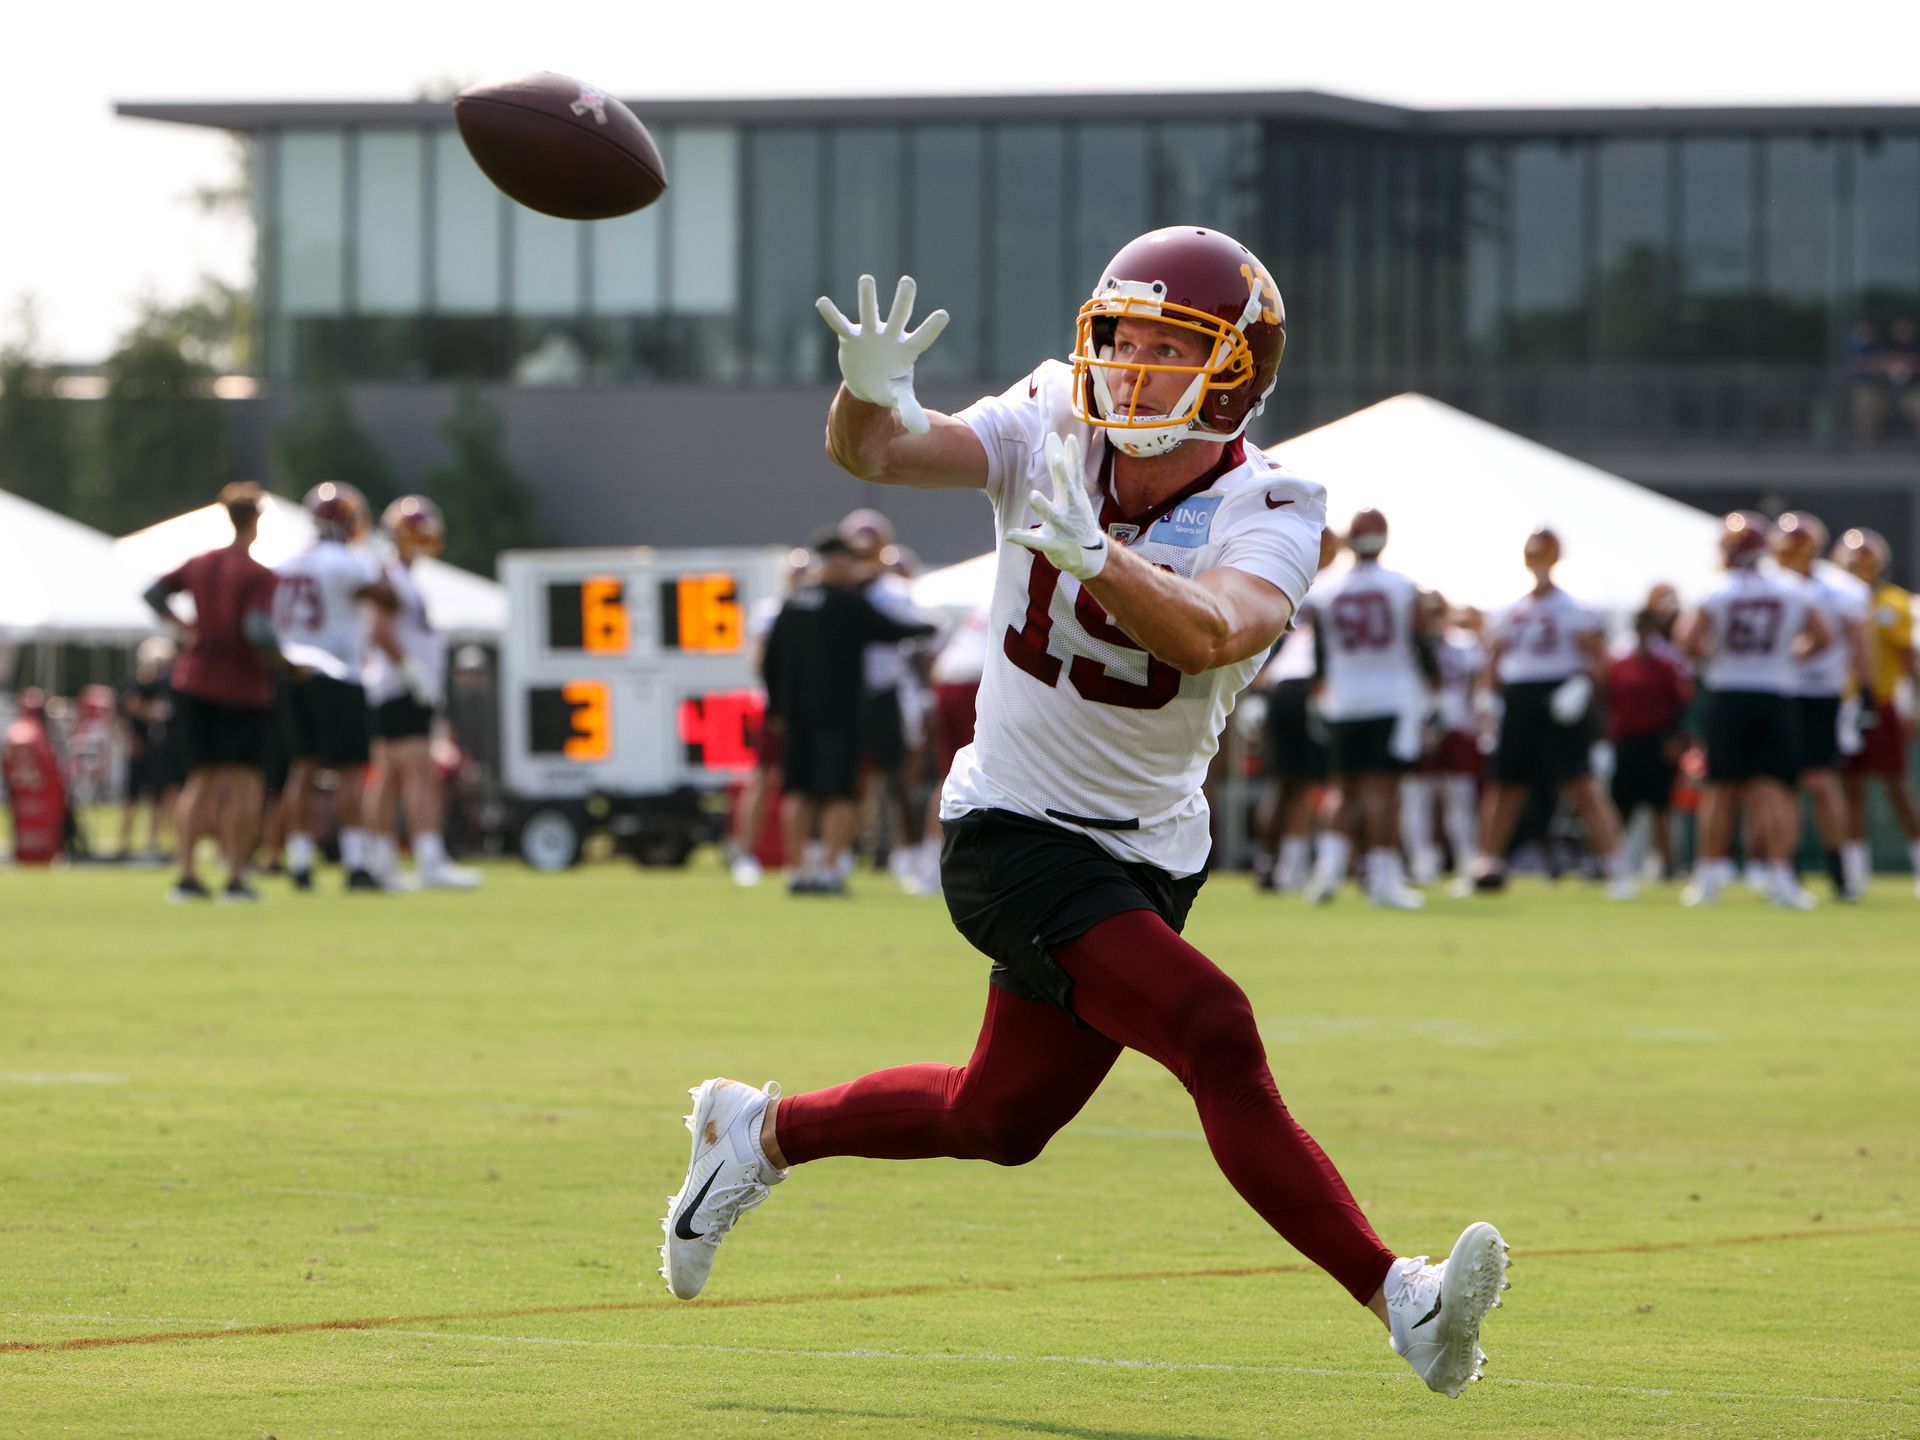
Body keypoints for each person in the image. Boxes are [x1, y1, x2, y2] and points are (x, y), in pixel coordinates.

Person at [660, 232, 1509, 1399]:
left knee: (998, 1116)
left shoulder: (1277, 500)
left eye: (1173, 349)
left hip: (1151, 848)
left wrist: (1096, 553)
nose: (1134, 369)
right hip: (1011, 828)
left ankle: (755, 1134)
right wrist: (865, 393)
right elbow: (887, 455)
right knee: (1215, 1029)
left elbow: (1211, 629)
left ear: (1237, 370)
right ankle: (1403, 1300)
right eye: (1124, 339)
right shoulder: (1057, 414)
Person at [760, 530, 938, 895]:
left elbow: (770, 661)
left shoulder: (791, 604)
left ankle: (796, 871)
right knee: (839, 792)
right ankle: (827, 870)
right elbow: (892, 630)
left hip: (796, 716)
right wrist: (932, 625)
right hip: (839, 714)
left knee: (798, 790)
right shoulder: (848, 604)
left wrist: (777, 707)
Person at [1466, 528, 1634, 899]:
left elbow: (1598, 660)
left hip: (1560, 699)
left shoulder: (1575, 608)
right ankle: (1485, 862)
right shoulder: (1512, 610)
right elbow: (1493, 662)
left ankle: (1617, 866)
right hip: (1521, 699)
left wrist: (1581, 686)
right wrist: (1486, 702)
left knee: (1581, 785)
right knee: (1505, 786)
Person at [1677, 513, 1830, 909]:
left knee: (1719, 789)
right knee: (1775, 790)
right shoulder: (1792, 589)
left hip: (1729, 692)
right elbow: (1822, 637)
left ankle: (1708, 875)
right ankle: (1780, 877)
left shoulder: (1718, 589)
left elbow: (1689, 641)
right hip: (1775, 694)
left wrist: (1714, 658)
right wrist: (1788, 656)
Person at [143, 482, 281, 903]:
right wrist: (288, 664)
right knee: (244, 783)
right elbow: (257, 631)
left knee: (198, 782)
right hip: (243, 686)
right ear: (255, 522)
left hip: (195, 681)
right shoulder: (258, 574)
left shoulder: (200, 563)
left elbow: (153, 593)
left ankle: (185, 875)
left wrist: (186, 629)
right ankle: (236, 877)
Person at [1299, 509, 1431, 908]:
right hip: (1389, 698)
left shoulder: (1327, 590)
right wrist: (1434, 693)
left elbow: (1319, 651)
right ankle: (1385, 880)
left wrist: (1320, 694)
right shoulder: (1404, 588)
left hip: (1343, 699)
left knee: (1343, 788)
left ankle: (1328, 873)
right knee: (1383, 792)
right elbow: (1423, 643)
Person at [273, 482, 395, 892]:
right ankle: (356, 864)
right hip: (338, 673)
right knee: (347, 771)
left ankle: (301, 863)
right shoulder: (345, 561)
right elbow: (388, 598)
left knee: (302, 769)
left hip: (292, 672)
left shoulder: (288, 561)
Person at [363, 496, 479, 891]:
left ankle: (380, 861)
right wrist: (414, 672)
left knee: (389, 777)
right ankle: (427, 859)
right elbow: (379, 630)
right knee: (419, 776)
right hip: (399, 690)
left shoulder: (405, 576)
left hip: (394, 689)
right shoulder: (391, 576)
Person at [1774, 513, 1872, 899]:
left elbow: (1858, 644)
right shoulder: (1773, 584)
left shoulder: (1840, 589)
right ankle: (1788, 869)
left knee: (1821, 783)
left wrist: (1865, 692)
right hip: (1781, 692)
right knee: (1784, 786)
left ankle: (1838, 870)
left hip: (1822, 693)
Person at [1250, 527, 1340, 892]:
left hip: (1276, 686)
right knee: (1306, 784)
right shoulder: (1333, 589)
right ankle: (1289, 866)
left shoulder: (1282, 579)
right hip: (1309, 686)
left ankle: (1267, 862)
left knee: (1280, 783)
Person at [1835, 527, 1920, 894]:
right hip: (1843, 704)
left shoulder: (1893, 603)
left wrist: (1914, 704)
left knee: (1896, 788)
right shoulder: (1834, 598)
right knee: (1849, 789)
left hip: (1882, 702)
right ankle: (1855, 873)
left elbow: (1907, 659)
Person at [728, 547, 811, 887]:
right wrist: (779, 704)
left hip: (810, 711)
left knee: (805, 787)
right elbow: (759, 661)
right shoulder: (771, 612)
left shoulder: (817, 611)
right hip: (778, 709)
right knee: (762, 780)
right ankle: (744, 853)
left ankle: (802, 860)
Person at [1604, 609, 1692, 884]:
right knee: (1621, 807)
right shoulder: (1620, 664)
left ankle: (1668, 865)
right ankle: (1611, 862)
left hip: (1658, 743)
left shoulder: (1667, 665)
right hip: (1627, 742)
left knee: (1661, 808)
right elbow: (1609, 702)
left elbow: (1680, 705)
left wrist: (1676, 741)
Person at [115, 636, 177, 861]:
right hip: (137, 751)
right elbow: (126, 713)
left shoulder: (163, 687)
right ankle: (123, 842)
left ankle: (153, 842)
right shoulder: (131, 686)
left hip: (156, 751)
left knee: (156, 799)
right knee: (130, 798)